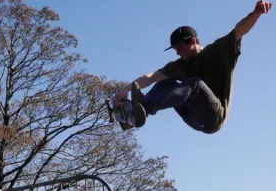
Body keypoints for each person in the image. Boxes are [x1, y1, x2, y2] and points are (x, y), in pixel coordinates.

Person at [110, 0, 272, 134]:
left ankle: (145, 108)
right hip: (191, 117)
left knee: (195, 84)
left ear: (193, 41)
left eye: (179, 48)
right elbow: (151, 77)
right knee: (164, 82)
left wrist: (256, 13)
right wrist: (125, 90)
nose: (178, 53)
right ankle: (135, 113)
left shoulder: (218, 51)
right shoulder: (179, 66)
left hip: (213, 117)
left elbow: (239, 31)